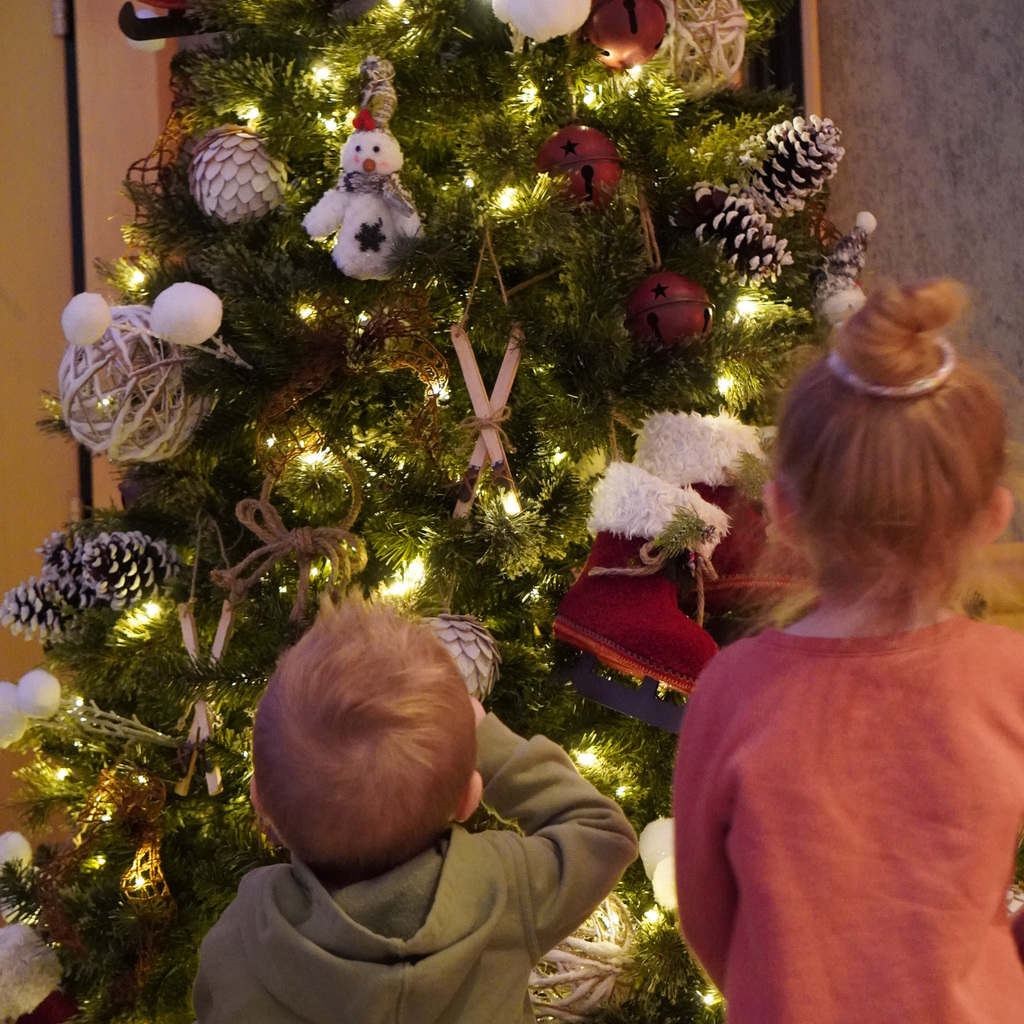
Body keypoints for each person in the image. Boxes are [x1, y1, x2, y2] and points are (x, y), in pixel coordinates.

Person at [672, 279, 1024, 1022]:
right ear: (993, 515)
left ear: (781, 511)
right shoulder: (1010, 675)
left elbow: (705, 913)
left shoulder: (731, 689)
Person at [193, 598, 637, 1023]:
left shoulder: (239, 942)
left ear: (260, 801)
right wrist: (486, 741)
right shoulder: (506, 887)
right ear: (469, 798)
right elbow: (602, 834)